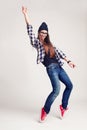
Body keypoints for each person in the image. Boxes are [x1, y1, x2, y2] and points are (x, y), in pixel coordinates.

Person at [22, 6, 76, 122]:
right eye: (42, 32)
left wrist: (69, 61)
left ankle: (63, 107)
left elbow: (60, 52)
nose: (43, 35)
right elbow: (30, 30)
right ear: (39, 32)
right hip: (51, 69)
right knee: (56, 90)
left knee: (70, 86)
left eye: (45, 33)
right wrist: (25, 15)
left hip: (59, 67)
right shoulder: (37, 42)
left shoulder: (50, 44)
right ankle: (45, 110)